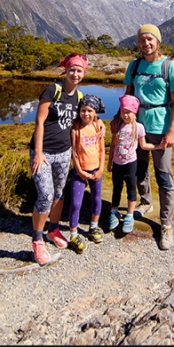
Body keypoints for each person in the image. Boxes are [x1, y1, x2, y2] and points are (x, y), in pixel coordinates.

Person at [122, 24, 174, 251]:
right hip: (136, 126)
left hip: (161, 127)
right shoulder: (134, 65)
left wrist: (172, 131)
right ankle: (146, 201)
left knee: (164, 175)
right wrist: (121, 122)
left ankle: (166, 224)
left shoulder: (171, 67)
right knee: (138, 168)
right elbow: (128, 95)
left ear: (158, 41)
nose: (146, 43)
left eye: (150, 39)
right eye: (142, 40)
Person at [29, 52, 93, 265]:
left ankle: (53, 229)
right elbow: (39, 122)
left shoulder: (80, 97)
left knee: (59, 193)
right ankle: (37, 240)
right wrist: (38, 153)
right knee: (45, 195)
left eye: (79, 71)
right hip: (44, 152)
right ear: (66, 70)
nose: (75, 74)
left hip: (64, 152)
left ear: (84, 74)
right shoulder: (52, 90)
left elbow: (85, 119)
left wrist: (98, 125)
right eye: (72, 69)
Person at [107, 94, 161, 234]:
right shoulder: (117, 125)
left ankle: (129, 215)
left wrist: (158, 146)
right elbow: (113, 144)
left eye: (128, 113)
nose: (125, 116)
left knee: (131, 189)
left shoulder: (138, 127)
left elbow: (143, 145)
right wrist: (109, 162)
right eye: (123, 112)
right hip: (117, 164)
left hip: (131, 164)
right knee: (116, 189)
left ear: (134, 112)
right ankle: (114, 212)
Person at [66, 94, 106, 254]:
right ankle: (73, 234)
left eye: (90, 110)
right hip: (80, 172)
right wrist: (79, 170)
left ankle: (93, 227)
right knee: (76, 203)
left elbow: (102, 150)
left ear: (95, 112)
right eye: (83, 110)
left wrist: (101, 169)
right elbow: (74, 152)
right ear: (79, 111)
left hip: (96, 170)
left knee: (97, 199)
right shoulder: (76, 129)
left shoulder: (97, 127)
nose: (86, 114)